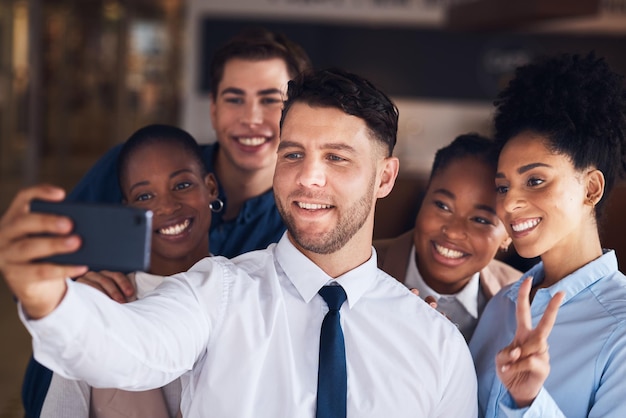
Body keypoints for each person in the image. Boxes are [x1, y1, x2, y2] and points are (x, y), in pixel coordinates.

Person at [1, 68, 478, 417]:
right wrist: (49, 300)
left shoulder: (436, 344)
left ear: (385, 177)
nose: (308, 178)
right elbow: (129, 349)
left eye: (337, 158)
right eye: (293, 154)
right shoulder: (215, 292)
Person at [21, 27, 312, 418]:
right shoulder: (138, 161)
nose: (251, 118)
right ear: (213, 109)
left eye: (270, 99)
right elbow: (35, 268)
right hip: (83, 381)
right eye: (234, 98)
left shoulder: (302, 213)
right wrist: (70, 284)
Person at [469, 53, 626, 417]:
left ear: (590, 188)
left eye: (535, 181)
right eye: (503, 187)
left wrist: (527, 402)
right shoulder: (501, 306)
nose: (509, 205)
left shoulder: (620, 325)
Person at [40, 124, 219, 417]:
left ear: (210, 188)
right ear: (128, 211)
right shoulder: (98, 310)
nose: (166, 206)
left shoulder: (246, 296)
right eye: (144, 196)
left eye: (182, 185)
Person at [375, 133, 520, 341]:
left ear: (508, 235)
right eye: (442, 206)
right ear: (424, 197)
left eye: (480, 220)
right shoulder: (359, 272)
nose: (453, 231)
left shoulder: (522, 300)